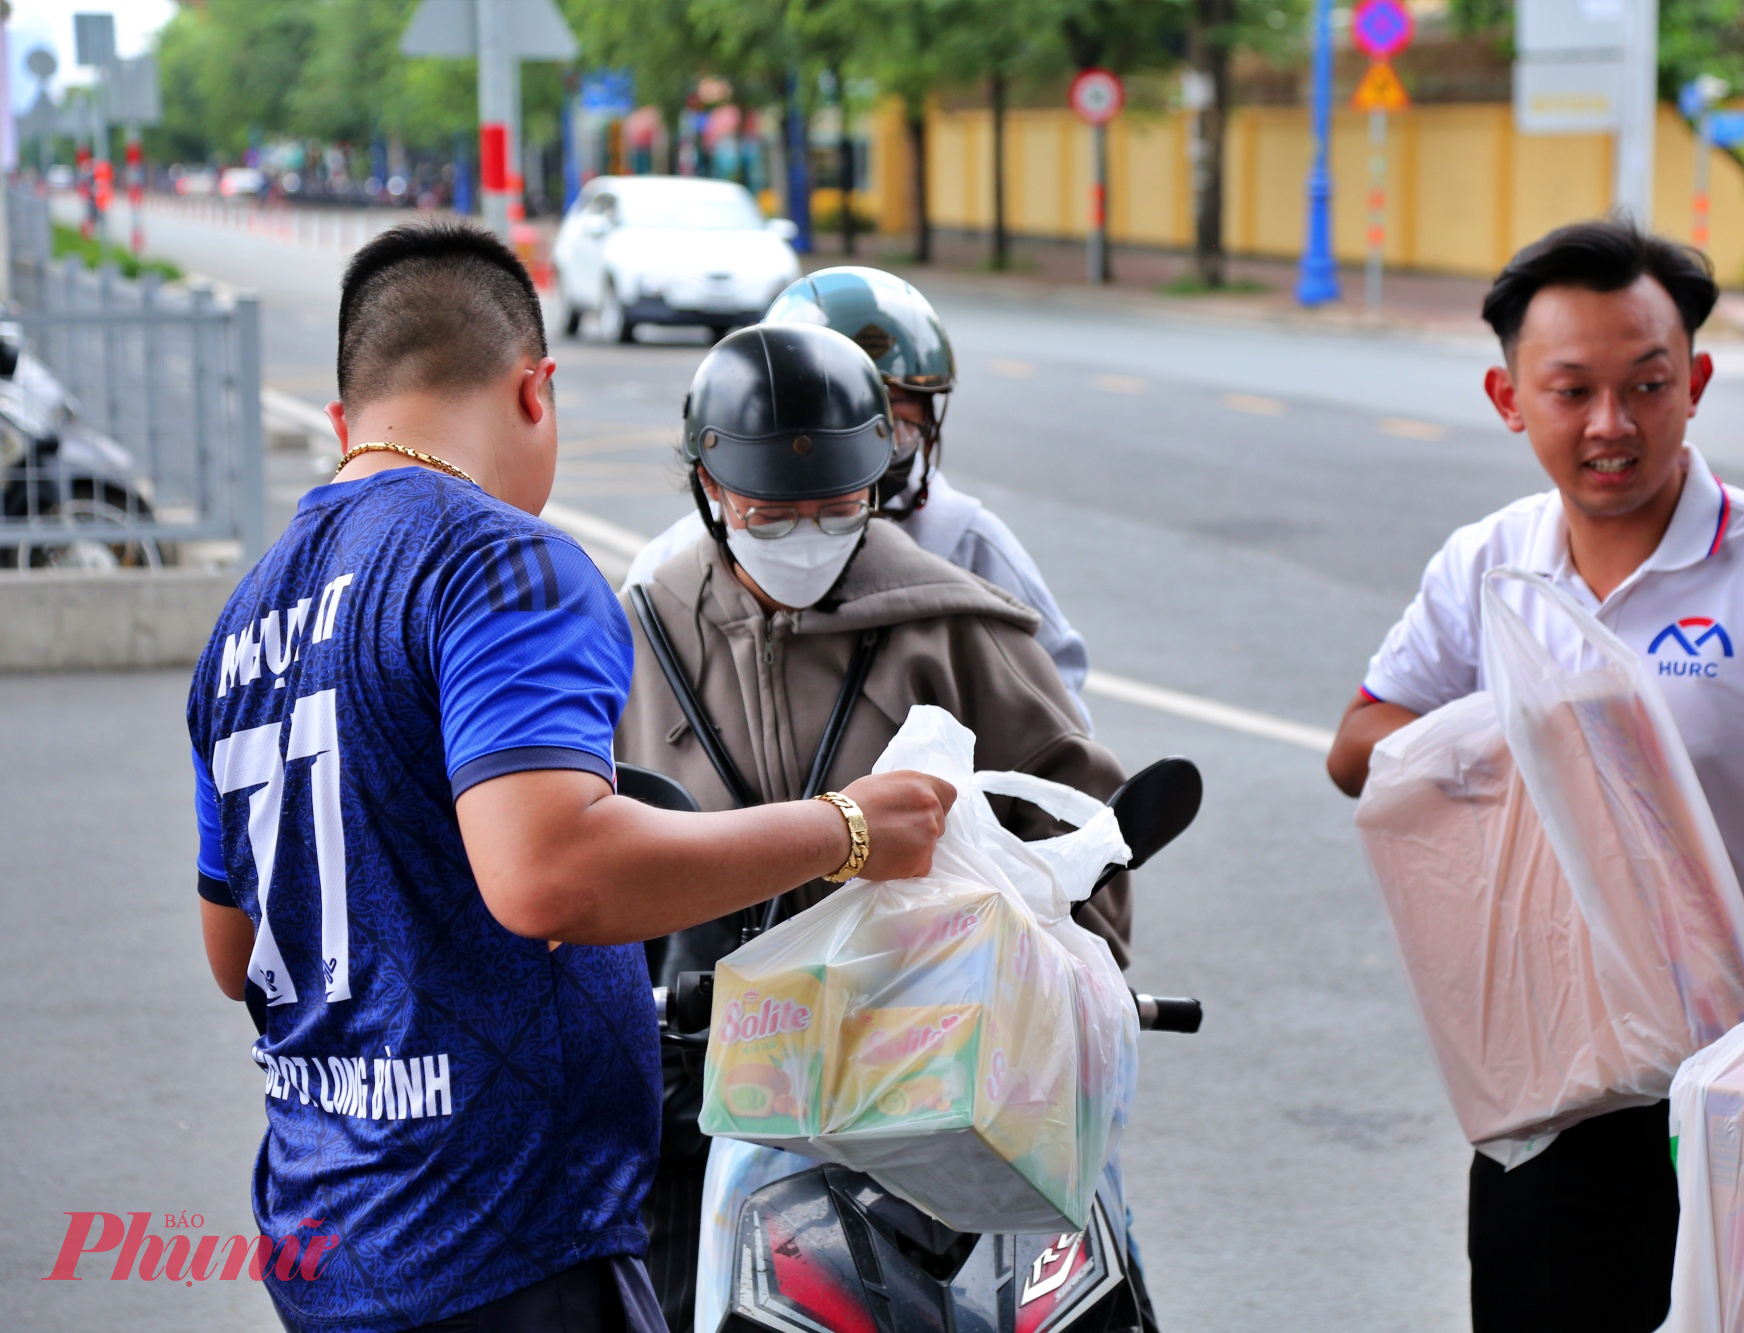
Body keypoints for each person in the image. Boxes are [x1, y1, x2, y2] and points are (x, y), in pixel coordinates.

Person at [185, 221, 953, 1333]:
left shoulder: (242, 620)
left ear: (346, 420)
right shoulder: (501, 559)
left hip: (325, 1237)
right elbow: (549, 872)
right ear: (536, 391)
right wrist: (844, 828)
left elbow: (234, 951)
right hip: (497, 1243)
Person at [1324, 219, 1744, 1332]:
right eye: (1570, 389)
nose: (1609, 425)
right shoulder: (1485, 566)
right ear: (1506, 397)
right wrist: (1529, 721)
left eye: (1645, 384)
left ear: (1695, 382)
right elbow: (1359, 741)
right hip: (1552, 1083)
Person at [616, 321, 1136, 1330]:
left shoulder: (955, 625)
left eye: (836, 505)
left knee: (1086, 1279)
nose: (805, 531)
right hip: (708, 1082)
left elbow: (1076, 830)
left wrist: (1068, 976)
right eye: (773, 509)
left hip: (938, 1082)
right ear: (709, 491)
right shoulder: (637, 635)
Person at [620, 265, 1093, 722]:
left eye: (896, 423)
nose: (867, 454)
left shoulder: (968, 547)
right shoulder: (673, 570)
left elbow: (1054, 699)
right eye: (774, 518)